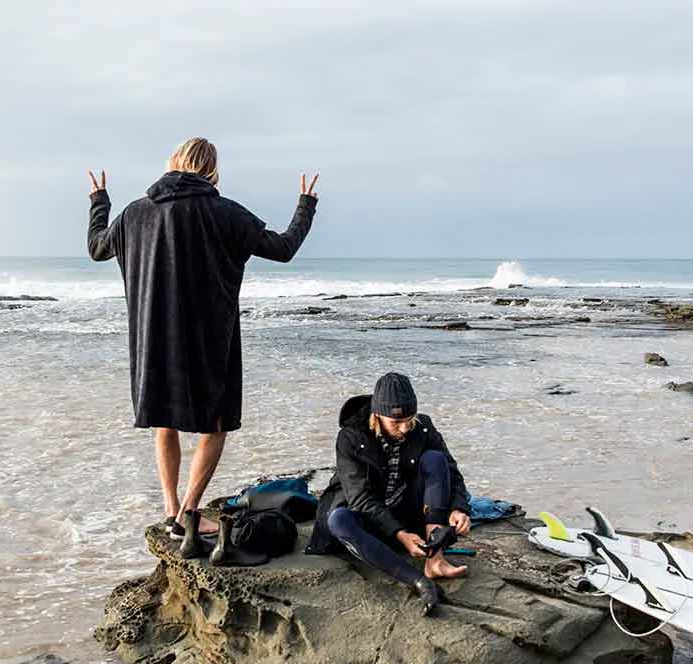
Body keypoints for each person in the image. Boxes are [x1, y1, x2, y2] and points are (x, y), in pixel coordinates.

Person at [86, 138, 319, 554]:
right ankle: (189, 511)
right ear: (212, 170)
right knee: (216, 423)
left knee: (164, 419)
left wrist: (99, 200)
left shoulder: (136, 213)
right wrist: (306, 204)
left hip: (154, 337)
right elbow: (283, 248)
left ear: (172, 162)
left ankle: (171, 508)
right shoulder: (225, 213)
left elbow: (97, 248)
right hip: (210, 338)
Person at [305, 373, 472, 615]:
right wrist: (400, 535)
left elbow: (452, 473)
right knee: (337, 520)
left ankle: (435, 559)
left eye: (409, 419)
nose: (405, 428)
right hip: (370, 519)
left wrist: (459, 508)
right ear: (377, 415)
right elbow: (360, 499)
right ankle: (419, 581)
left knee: (435, 460)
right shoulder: (350, 437)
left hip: (406, 510)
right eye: (396, 422)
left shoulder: (423, 427)